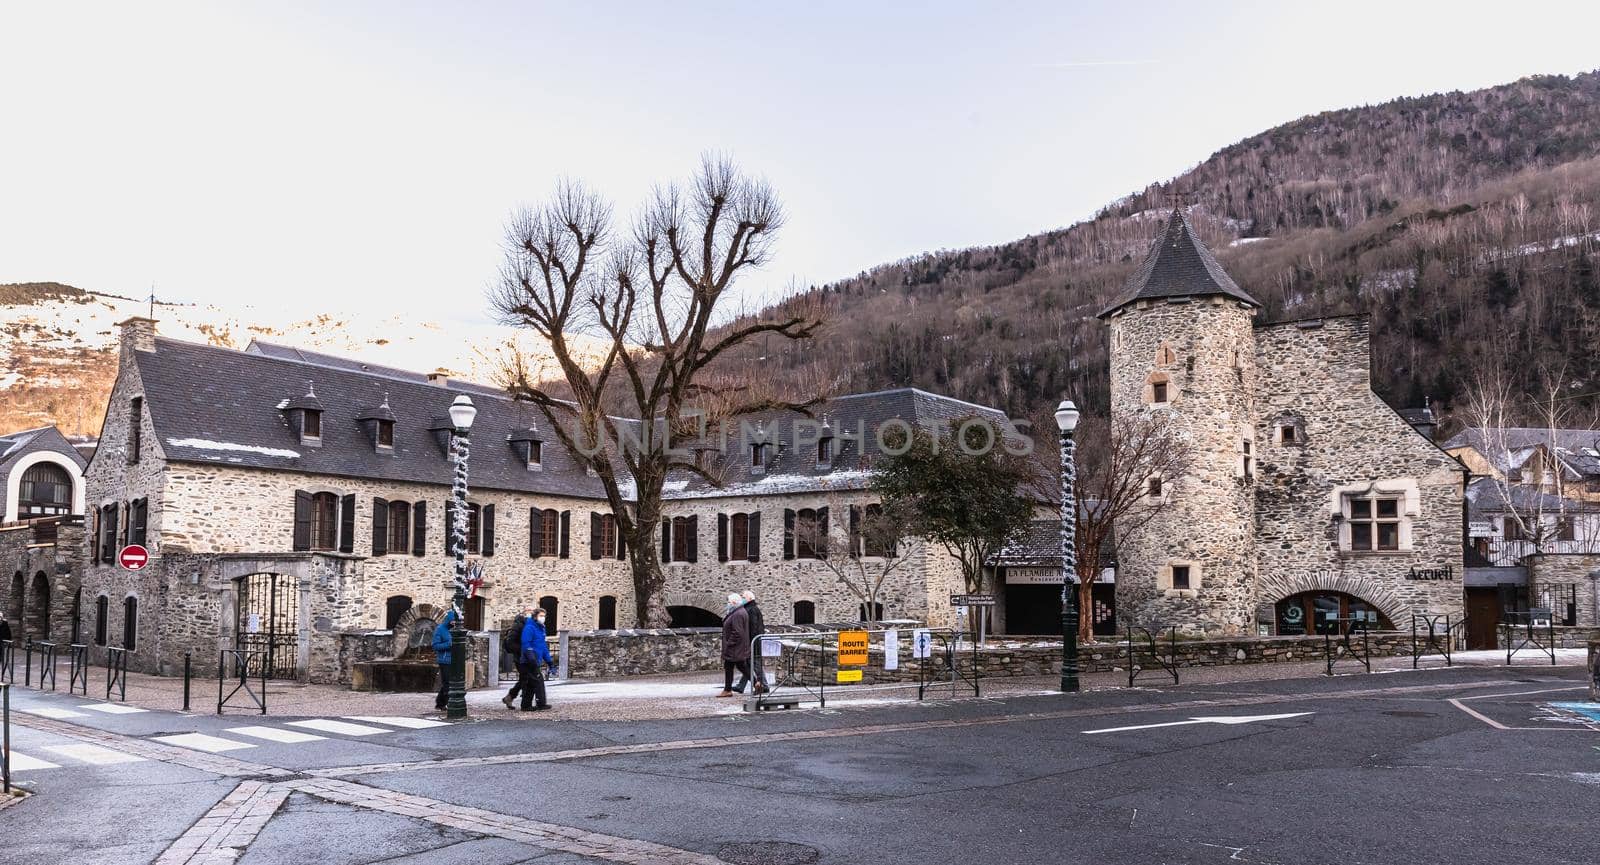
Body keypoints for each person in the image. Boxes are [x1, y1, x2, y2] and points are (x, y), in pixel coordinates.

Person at [518, 605, 553, 711]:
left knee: (531, 683)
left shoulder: (541, 629)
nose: (543, 618)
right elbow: (526, 642)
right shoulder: (530, 627)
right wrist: (530, 656)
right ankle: (540, 703)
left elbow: (542, 646)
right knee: (538, 681)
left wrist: (549, 661)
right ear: (535, 617)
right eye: (541, 615)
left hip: (534, 659)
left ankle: (526, 705)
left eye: (544, 616)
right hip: (529, 661)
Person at [718, 592, 751, 697]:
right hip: (738, 647)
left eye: (729, 602)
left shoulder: (737, 614)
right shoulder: (739, 612)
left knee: (731, 667)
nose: (728, 604)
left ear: (733, 602)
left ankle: (727, 690)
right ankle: (757, 683)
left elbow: (737, 632)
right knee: (741, 667)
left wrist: (729, 643)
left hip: (735, 648)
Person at [500, 608, 529, 709]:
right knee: (525, 678)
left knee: (523, 679)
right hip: (520, 657)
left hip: (525, 656)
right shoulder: (518, 625)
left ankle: (510, 697)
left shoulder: (526, 625)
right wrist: (524, 649)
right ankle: (525, 703)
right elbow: (510, 643)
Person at [741, 589, 768, 694]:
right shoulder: (751, 608)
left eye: (744, 597)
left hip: (753, 642)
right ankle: (741, 685)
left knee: (754, 664)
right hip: (753, 641)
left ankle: (763, 685)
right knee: (748, 664)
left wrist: (749, 642)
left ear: (749, 598)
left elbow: (753, 627)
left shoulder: (751, 610)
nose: (742, 599)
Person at [431, 610, 457, 712]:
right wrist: (448, 645)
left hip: (454, 660)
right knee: (447, 683)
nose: (454, 623)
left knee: (451, 682)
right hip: (444, 660)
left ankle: (440, 703)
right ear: (449, 620)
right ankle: (445, 703)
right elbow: (435, 645)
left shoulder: (454, 630)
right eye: (453, 621)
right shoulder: (440, 629)